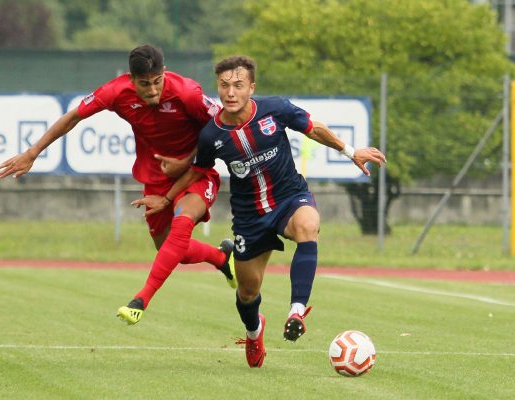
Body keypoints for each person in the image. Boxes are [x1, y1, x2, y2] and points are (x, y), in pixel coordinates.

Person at [134, 55, 386, 368]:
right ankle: (254, 332)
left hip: (289, 199)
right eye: (225, 85)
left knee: (309, 226)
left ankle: (296, 311)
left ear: (251, 87)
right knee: (247, 292)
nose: (230, 92)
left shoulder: (275, 109)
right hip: (250, 217)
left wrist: (351, 152)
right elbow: (197, 171)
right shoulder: (211, 136)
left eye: (238, 85)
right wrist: (166, 198)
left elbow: (313, 128)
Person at [0, 45, 236, 326]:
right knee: (172, 251)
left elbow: (222, 126)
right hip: (156, 179)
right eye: (144, 84)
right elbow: (73, 117)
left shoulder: (187, 92)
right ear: (132, 80)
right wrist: (32, 152)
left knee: (182, 223)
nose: (153, 90)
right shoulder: (115, 92)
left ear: (165, 74)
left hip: (196, 172)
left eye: (157, 82)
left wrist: (186, 161)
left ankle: (140, 301)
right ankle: (222, 257)